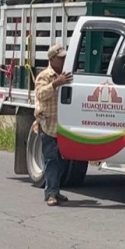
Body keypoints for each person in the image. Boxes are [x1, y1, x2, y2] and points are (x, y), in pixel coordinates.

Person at [33, 43, 74, 206]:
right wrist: (56, 83)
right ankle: (50, 193)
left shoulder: (66, 75)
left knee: (62, 160)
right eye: (60, 57)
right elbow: (40, 94)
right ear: (51, 59)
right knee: (51, 159)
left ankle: (55, 191)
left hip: (63, 125)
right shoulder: (44, 76)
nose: (64, 59)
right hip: (48, 123)